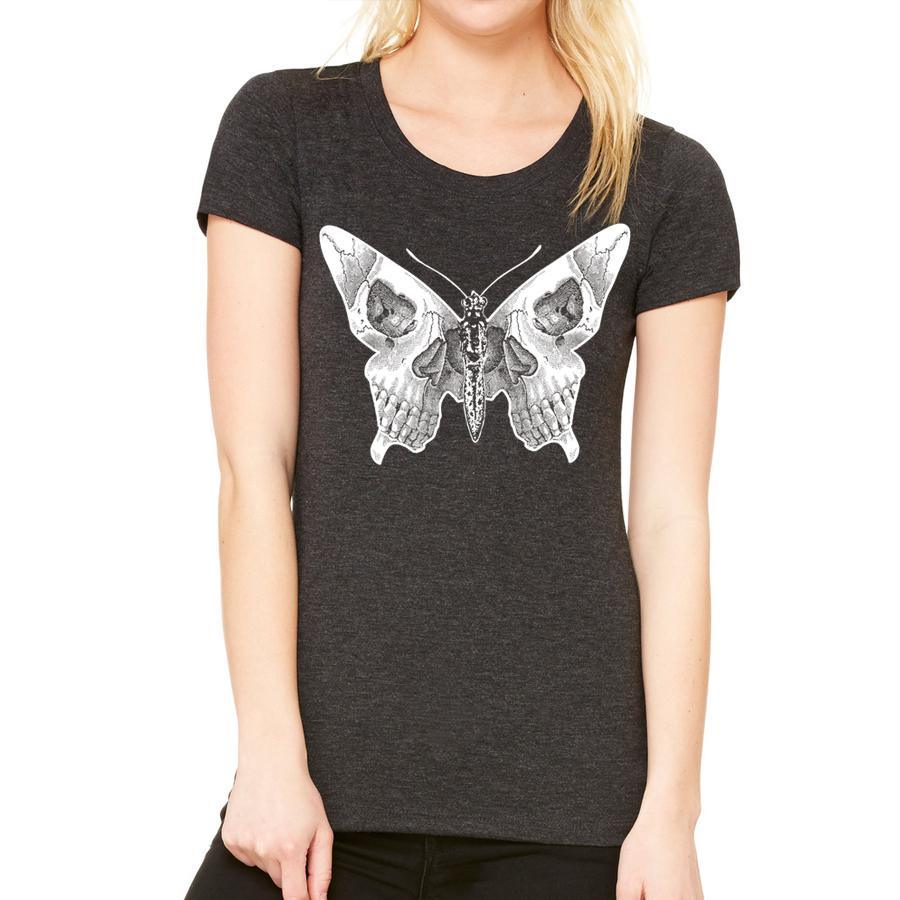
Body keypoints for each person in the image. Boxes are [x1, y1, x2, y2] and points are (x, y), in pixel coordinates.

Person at [185, 1, 740, 898]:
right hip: (318, 806)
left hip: (575, 819)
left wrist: (671, 814)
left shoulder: (666, 180)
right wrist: (269, 756)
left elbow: (673, 521)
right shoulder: (283, 130)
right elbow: (252, 473)